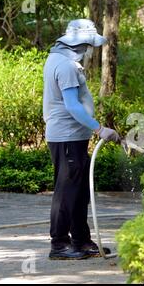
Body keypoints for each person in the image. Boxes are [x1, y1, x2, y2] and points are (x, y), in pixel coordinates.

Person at [43, 19, 120, 260]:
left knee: (78, 191)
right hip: (66, 138)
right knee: (66, 191)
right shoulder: (65, 65)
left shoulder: (63, 60)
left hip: (73, 137)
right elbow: (73, 106)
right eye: (90, 45)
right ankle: (59, 244)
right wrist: (99, 129)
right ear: (81, 42)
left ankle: (81, 240)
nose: (91, 50)